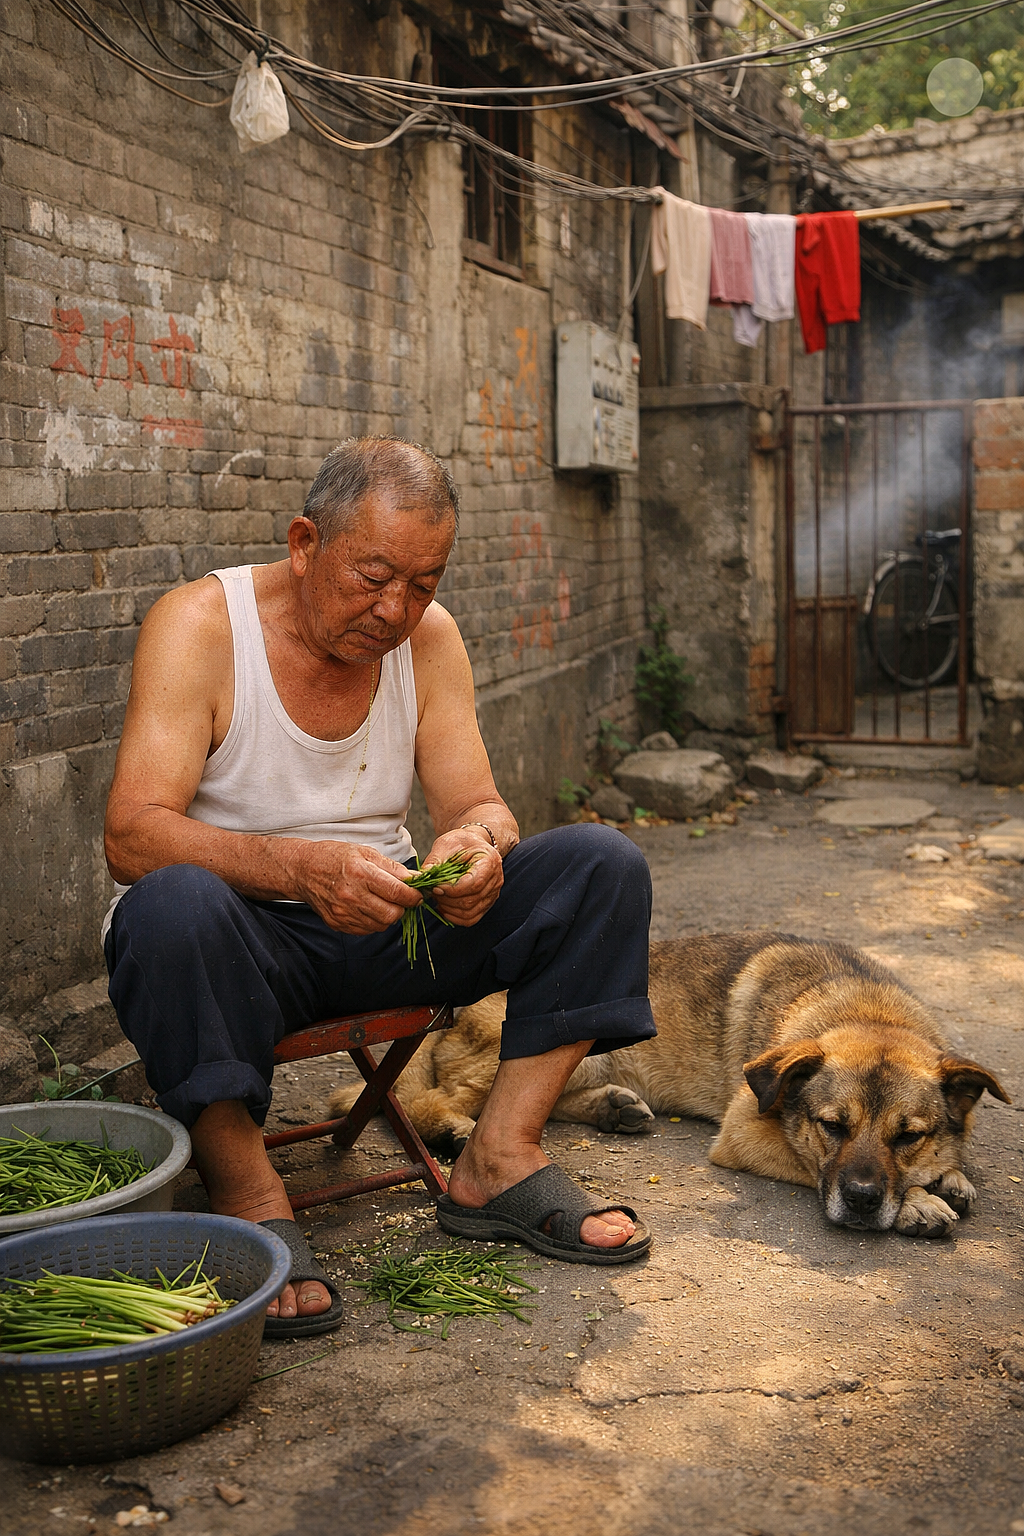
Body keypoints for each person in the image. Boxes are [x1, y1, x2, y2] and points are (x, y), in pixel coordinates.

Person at [103, 436, 656, 1338]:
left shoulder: (428, 641)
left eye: (424, 584)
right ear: (302, 542)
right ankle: (248, 1189)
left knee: (603, 866)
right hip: (245, 942)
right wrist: (296, 866)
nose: (395, 609)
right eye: (371, 577)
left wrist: (478, 845)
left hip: (389, 920)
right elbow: (130, 834)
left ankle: (499, 1157)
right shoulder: (202, 627)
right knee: (167, 906)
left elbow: (477, 799)